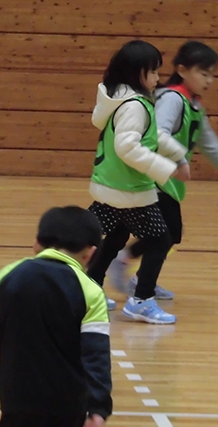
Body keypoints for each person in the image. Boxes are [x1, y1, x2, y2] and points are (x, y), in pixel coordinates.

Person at [107, 41, 218, 299]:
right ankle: (136, 282)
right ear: (183, 70)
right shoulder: (172, 99)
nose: (209, 80)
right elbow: (157, 134)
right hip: (155, 177)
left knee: (169, 234)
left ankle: (137, 275)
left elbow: (211, 146)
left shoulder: (193, 106)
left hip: (168, 180)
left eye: (211, 75)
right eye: (203, 73)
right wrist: (177, 161)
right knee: (165, 233)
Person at [0, 206, 112, 427]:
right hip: (69, 406)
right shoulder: (90, 291)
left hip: (16, 401)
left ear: (36, 242)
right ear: (91, 253)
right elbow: (96, 355)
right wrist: (98, 408)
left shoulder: (8, 276)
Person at [87, 40, 188, 324]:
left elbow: (152, 138)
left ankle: (90, 287)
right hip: (128, 189)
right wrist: (165, 168)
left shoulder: (121, 99)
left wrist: (178, 155)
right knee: (160, 239)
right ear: (136, 73)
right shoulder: (134, 105)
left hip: (111, 185)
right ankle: (141, 300)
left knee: (113, 235)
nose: (158, 78)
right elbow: (128, 148)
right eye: (153, 72)